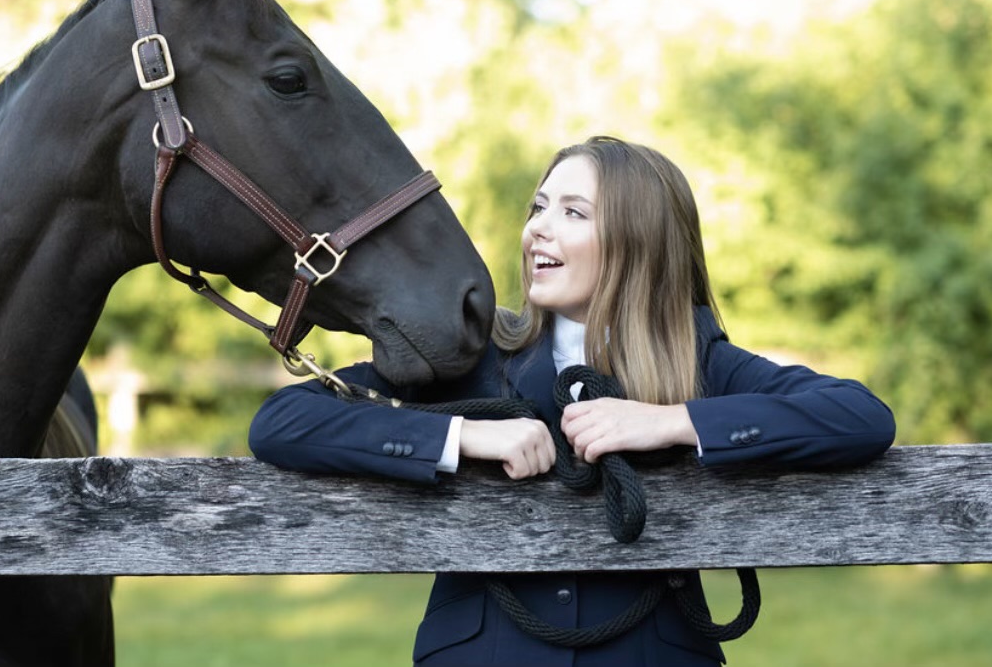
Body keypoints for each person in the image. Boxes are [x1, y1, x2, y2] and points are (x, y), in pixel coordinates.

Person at [249, 135, 896, 666]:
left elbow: (859, 417)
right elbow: (283, 421)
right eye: (538, 208)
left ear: (638, 241)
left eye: (572, 213)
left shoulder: (701, 364)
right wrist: (460, 437)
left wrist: (669, 421)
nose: (538, 231)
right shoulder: (468, 353)